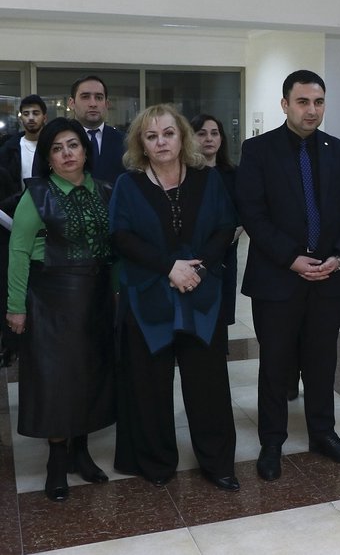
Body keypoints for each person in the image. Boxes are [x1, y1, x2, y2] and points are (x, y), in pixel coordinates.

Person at [236, 69, 340, 481]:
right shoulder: (258, 150)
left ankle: (322, 434)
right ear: (285, 104)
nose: (312, 110)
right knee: (276, 363)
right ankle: (272, 441)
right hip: (278, 277)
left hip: (329, 276)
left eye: (319, 102)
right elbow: (252, 213)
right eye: (303, 102)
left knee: (322, 361)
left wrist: (339, 256)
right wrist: (291, 258)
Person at [110, 104, 239, 491]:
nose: (161, 142)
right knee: (149, 383)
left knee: (208, 383)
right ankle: (157, 461)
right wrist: (169, 267)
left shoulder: (207, 179)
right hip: (149, 296)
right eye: (151, 136)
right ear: (141, 144)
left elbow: (225, 227)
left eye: (168, 133)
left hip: (201, 294)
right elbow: (120, 236)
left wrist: (198, 269)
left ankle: (217, 462)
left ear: (182, 137)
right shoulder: (128, 184)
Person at [6, 117, 115, 501]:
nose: (67, 153)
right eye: (57, 148)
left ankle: (81, 452)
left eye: (73, 145)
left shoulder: (105, 190)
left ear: (85, 151)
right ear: (48, 158)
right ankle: (57, 459)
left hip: (96, 297)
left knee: (90, 373)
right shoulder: (37, 195)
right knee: (55, 379)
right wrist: (15, 307)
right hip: (50, 299)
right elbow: (19, 252)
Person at [0, 94, 48, 366]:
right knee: (15, 276)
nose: (30, 118)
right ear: (20, 117)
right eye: (26, 113)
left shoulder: (52, 146)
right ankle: (12, 343)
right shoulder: (9, 148)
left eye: (35, 113)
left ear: (44, 117)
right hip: (16, 218)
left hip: (50, 222)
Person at [191, 114, 242, 347]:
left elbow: (242, 214)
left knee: (220, 315)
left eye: (214, 133)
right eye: (201, 133)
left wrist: (225, 240)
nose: (209, 139)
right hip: (194, 256)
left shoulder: (234, 174)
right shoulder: (185, 175)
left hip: (226, 255)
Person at [67, 75, 126, 184]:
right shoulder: (56, 141)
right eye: (85, 97)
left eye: (99, 97)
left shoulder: (125, 142)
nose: (93, 104)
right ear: (72, 103)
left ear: (106, 104)